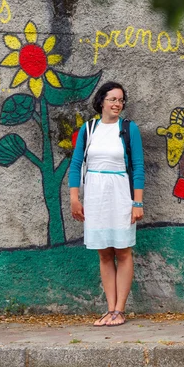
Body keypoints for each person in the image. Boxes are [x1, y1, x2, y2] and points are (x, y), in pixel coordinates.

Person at [68, 81, 145, 327]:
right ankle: (110, 309)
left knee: (122, 251)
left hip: (121, 193)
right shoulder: (88, 129)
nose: (117, 104)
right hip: (95, 195)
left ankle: (120, 310)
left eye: (121, 100)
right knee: (104, 253)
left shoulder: (128, 128)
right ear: (101, 101)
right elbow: (76, 164)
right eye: (113, 99)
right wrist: (74, 198)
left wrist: (137, 202)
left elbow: (139, 167)